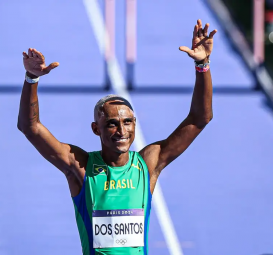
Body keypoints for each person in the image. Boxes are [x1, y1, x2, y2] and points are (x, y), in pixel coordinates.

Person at [18, 19, 217, 255]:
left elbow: (199, 119)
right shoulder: (80, 166)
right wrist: (32, 78)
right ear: (96, 129)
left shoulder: (148, 164)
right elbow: (30, 128)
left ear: (135, 124)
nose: (122, 131)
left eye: (127, 122)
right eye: (112, 124)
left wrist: (203, 64)